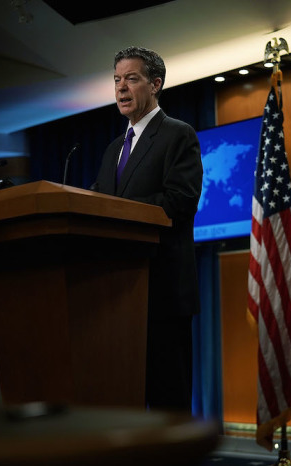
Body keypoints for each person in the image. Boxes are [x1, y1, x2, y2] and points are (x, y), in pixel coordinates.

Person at [92, 46, 203, 413]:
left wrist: (120, 212)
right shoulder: (111, 151)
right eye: (117, 80)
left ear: (156, 84)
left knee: (168, 404)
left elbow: (180, 201)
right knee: (126, 404)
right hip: (117, 295)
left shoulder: (177, 134)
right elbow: (98, 203)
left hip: (163, 292)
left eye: (132, 79)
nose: (121, 88)